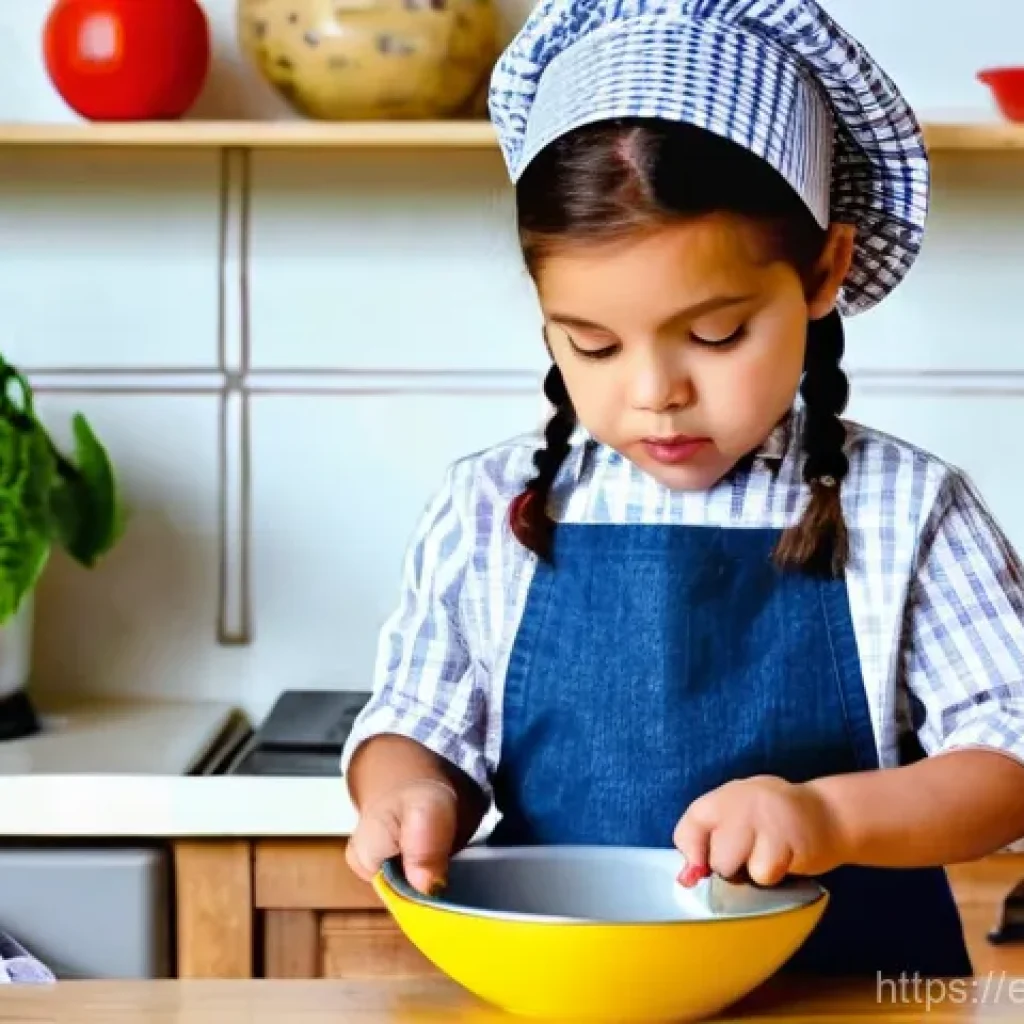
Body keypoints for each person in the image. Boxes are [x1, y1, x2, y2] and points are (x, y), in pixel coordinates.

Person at [340, 0, 1024, 977]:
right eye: (592, 344)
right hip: (564, 991)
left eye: (714, 335)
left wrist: (827, 814)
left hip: (851, 996)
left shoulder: (908, 509)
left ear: (822, 270)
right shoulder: (487, 508)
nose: (655, 393)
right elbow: (414, 721)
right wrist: (408, 790)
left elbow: (1008, 761)